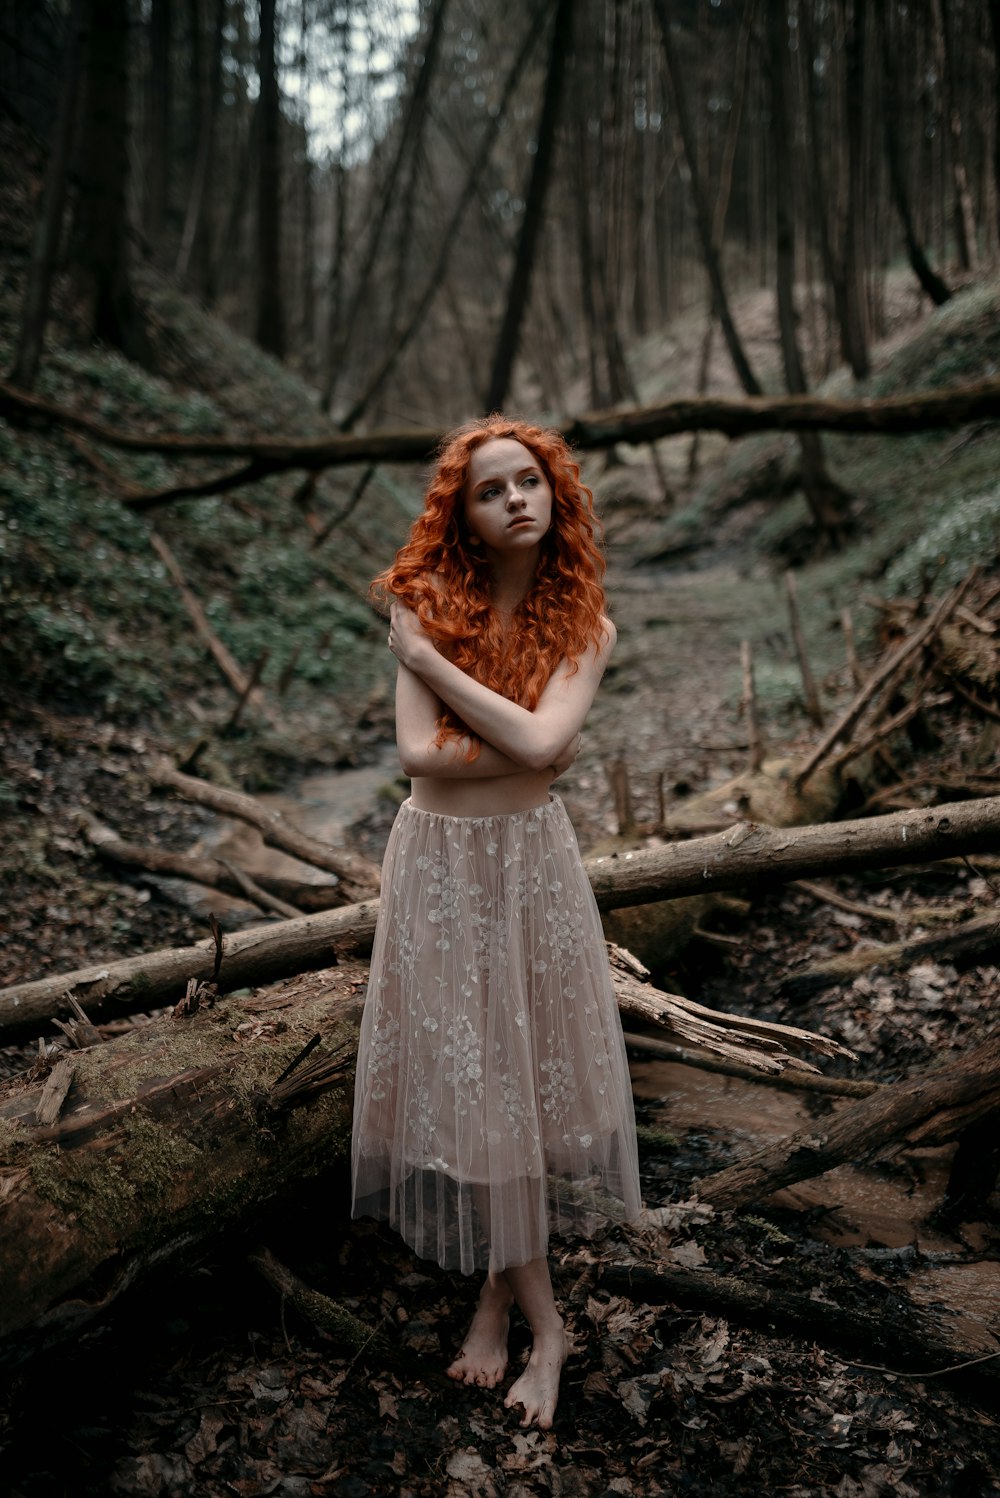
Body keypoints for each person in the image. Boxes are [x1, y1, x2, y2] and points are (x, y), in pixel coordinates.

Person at [351, 414, 641, 1430]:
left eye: (530, 481)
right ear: (462, 516)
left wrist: (431, 669)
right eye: (490, 488)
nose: (516, 497)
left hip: (529, 866)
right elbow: (417, 759)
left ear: (554, 494)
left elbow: (544, 738)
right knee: (474, 1088)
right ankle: (547, 1321)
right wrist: (526, 747)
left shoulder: (584, 625)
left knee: (519, 1087)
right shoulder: (428, 601)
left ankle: (498, 1301)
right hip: (438, 867)